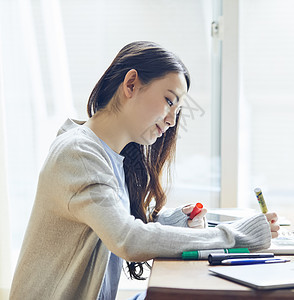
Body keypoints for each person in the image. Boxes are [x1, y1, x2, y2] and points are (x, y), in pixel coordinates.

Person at [9, 41, 279, 300]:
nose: (173, 120)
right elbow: (128, 239)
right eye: (169, 101)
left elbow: (112, 225)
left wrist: (174, 224)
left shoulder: (108, 153)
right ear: (131, 84)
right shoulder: (80, 154)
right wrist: (237, 236)